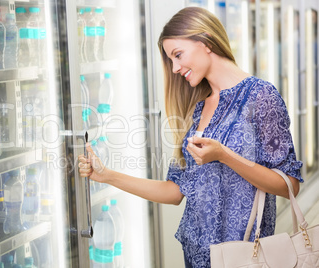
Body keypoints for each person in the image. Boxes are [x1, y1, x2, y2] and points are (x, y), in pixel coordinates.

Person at [78, 6, 303, 268]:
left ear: (206, 41)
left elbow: (290, 184)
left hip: (244, 257)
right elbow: (175, 191)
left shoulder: (260, 96)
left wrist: (224, 155)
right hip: (195, 255)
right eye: (170, 60)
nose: (174, 68)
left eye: (178, 55)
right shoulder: (197, 109)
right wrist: (106, 175)